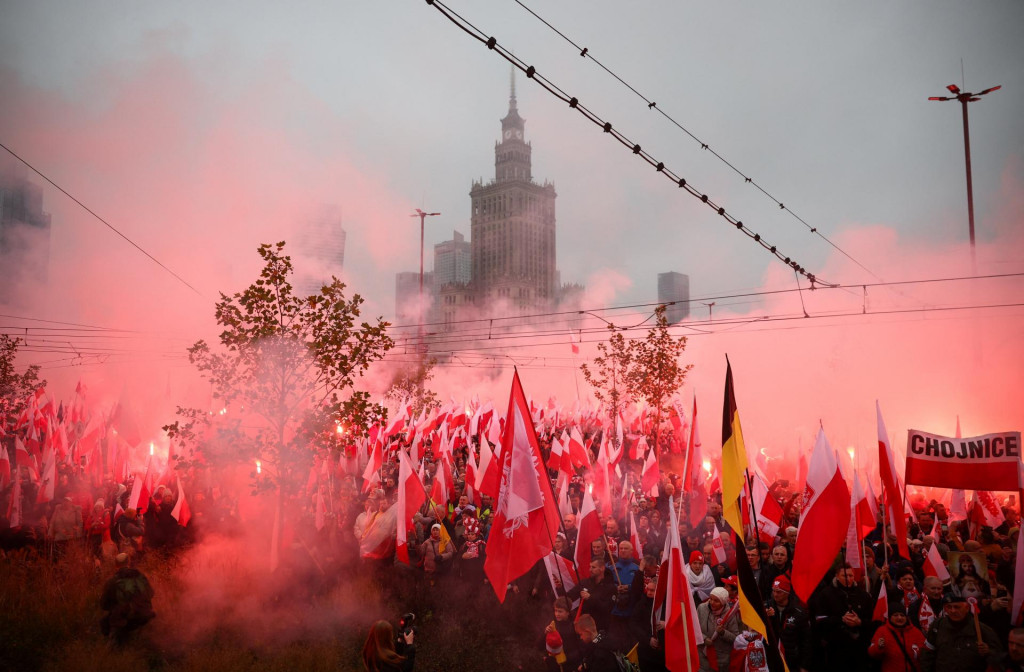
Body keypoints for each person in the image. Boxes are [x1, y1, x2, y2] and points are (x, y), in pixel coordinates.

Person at [919, 594, 1002, 672]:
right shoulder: (938, 626)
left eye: (957, 607)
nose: (953, 611)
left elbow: (1000, 656)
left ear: (966, 608)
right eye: (949, 607)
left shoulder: (981, 629)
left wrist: (988, 651)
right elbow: (927, 653)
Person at [99, 552, 155, 646]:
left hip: (125, 619)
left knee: (105, 622)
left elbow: (103, 605)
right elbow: (151, 593)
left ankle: (114, 652)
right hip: (146, 614)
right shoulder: (140, 576)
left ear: (116, 565)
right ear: (129, 563)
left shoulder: (112, 581)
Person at [765, 575, 812, 672]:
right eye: (773, 591)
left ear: (787, 593)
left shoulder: (799, 612)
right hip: (772, 661)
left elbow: (806, 641)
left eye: (779, 592)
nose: (775, 594)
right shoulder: (767, 608)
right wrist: (766, 618)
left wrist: (804, 665)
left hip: (792, 662)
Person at [867, 602, 926, 672]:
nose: (899, 618)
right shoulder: (882, 631)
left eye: (902, 615)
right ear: (890, 617)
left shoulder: (916, 632)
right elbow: (871, 653)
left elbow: (925, 653)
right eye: (895, 615)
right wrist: (878, 647)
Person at [697, 586, 741, 672]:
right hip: (703, 657)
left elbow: (735, 638)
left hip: (721, 660)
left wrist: (723, 633)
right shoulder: (702, 608)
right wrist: (704, 638)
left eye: (716, 601)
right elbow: (694, 629)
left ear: (723, 602)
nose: (712, 602)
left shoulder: (730, 614)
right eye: (711, 599)